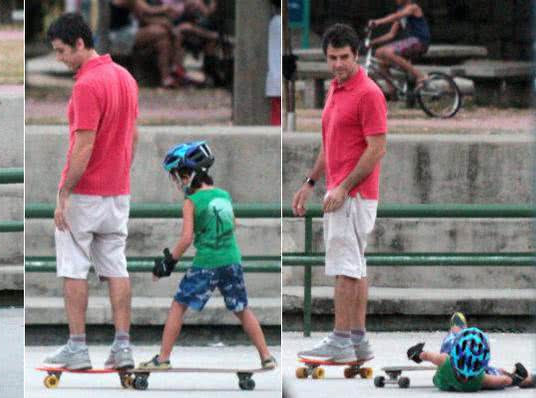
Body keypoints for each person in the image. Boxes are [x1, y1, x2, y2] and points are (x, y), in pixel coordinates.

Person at [43, 12, 139, 370]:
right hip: (117, 190)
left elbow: (83, 146)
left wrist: (64, 193)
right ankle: (123, 346)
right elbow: (134, 135)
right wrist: (121, 172)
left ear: (81, 44)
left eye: (62, 50)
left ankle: (77, 346)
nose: (60, 58)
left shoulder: (86, 85)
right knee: (116, 267)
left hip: (84, 191)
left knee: (73, 268)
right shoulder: (126, 78)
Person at [293, 24, 387, 364]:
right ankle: (358, 340)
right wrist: (311, 181)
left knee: (345, 267)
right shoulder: (335, 89)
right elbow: (330, 143)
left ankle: (340, 340)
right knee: (356, 266)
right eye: (332, 58)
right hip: (339, 189)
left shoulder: (368, 93)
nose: (337, 64)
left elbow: (377, 149)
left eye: (344, 57)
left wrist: (344, 187)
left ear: (357, 55)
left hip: (354, 195)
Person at [138, 141, 276, 370]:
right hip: (232, 260)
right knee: (242, 308)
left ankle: (163, 358)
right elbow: (233, 223)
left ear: (188, 175)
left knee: (178, 306)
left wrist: (168, 262)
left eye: (177, 176)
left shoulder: (191, 202)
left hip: (206, 263)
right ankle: (266, 356)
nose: (177, 181)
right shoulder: (224, 195)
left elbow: (186, 239)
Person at [407, 325, 530, 391]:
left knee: (455, 329)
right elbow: (504, 381)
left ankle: (459, 329)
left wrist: (416, 354)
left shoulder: (445, 361)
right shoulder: (481, 380)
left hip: (442, 379)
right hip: (478, 374)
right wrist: (515, 379)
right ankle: (525, 379)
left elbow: (426, 356)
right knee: (499, 373)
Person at [367, 0, 431, 99]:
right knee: (379, 55)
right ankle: (392, 90)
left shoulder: (413, 7)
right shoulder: (400, 11)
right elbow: (391, 34)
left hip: (419, 41)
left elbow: (395, 16)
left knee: (388, 51)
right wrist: (372, 42)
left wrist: (378, 22)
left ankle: (420, 75)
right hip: (410, 42)